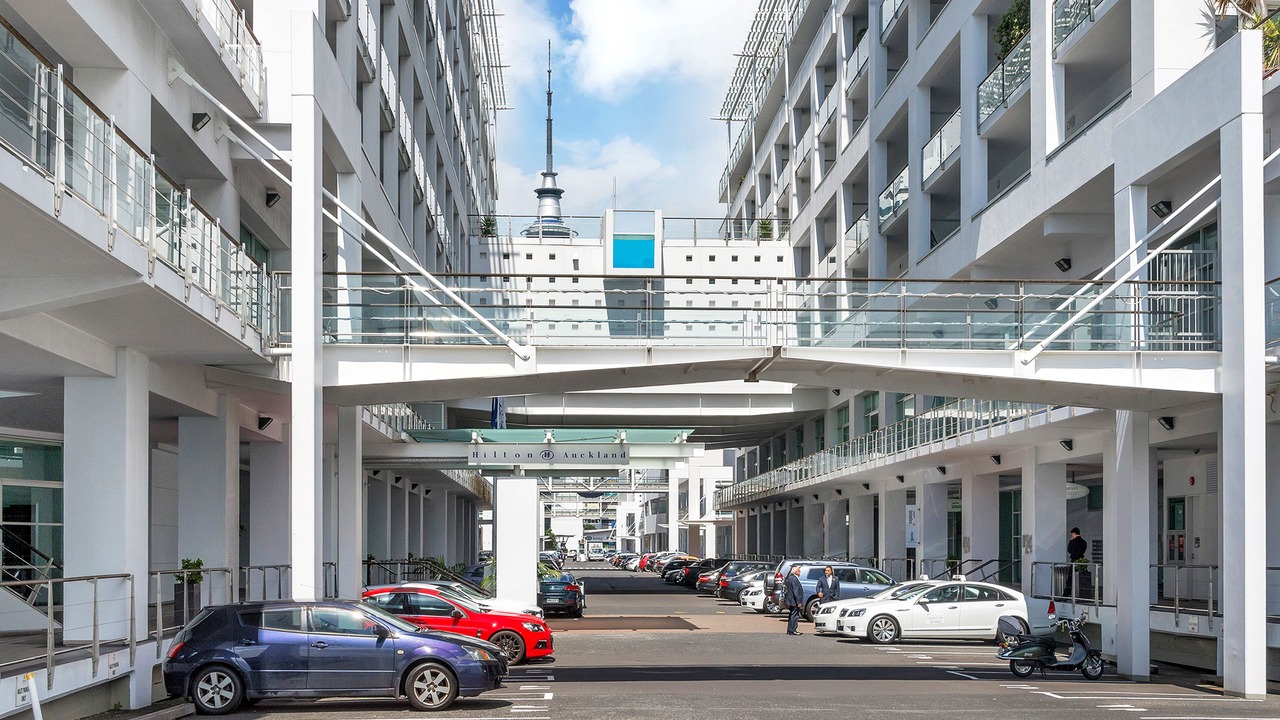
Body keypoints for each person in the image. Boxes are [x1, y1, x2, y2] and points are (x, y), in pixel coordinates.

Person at [784, 565, 805, 635]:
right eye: (799, 570)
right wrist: (798, 601)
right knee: (794, 615)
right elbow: (795, 590)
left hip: (791, 600)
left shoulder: (791, 578)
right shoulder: (793, 579)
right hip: (794, 600)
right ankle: (792, 630)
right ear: (795, 571)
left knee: (792, 614)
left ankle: (790, 629)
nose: (800, 572)